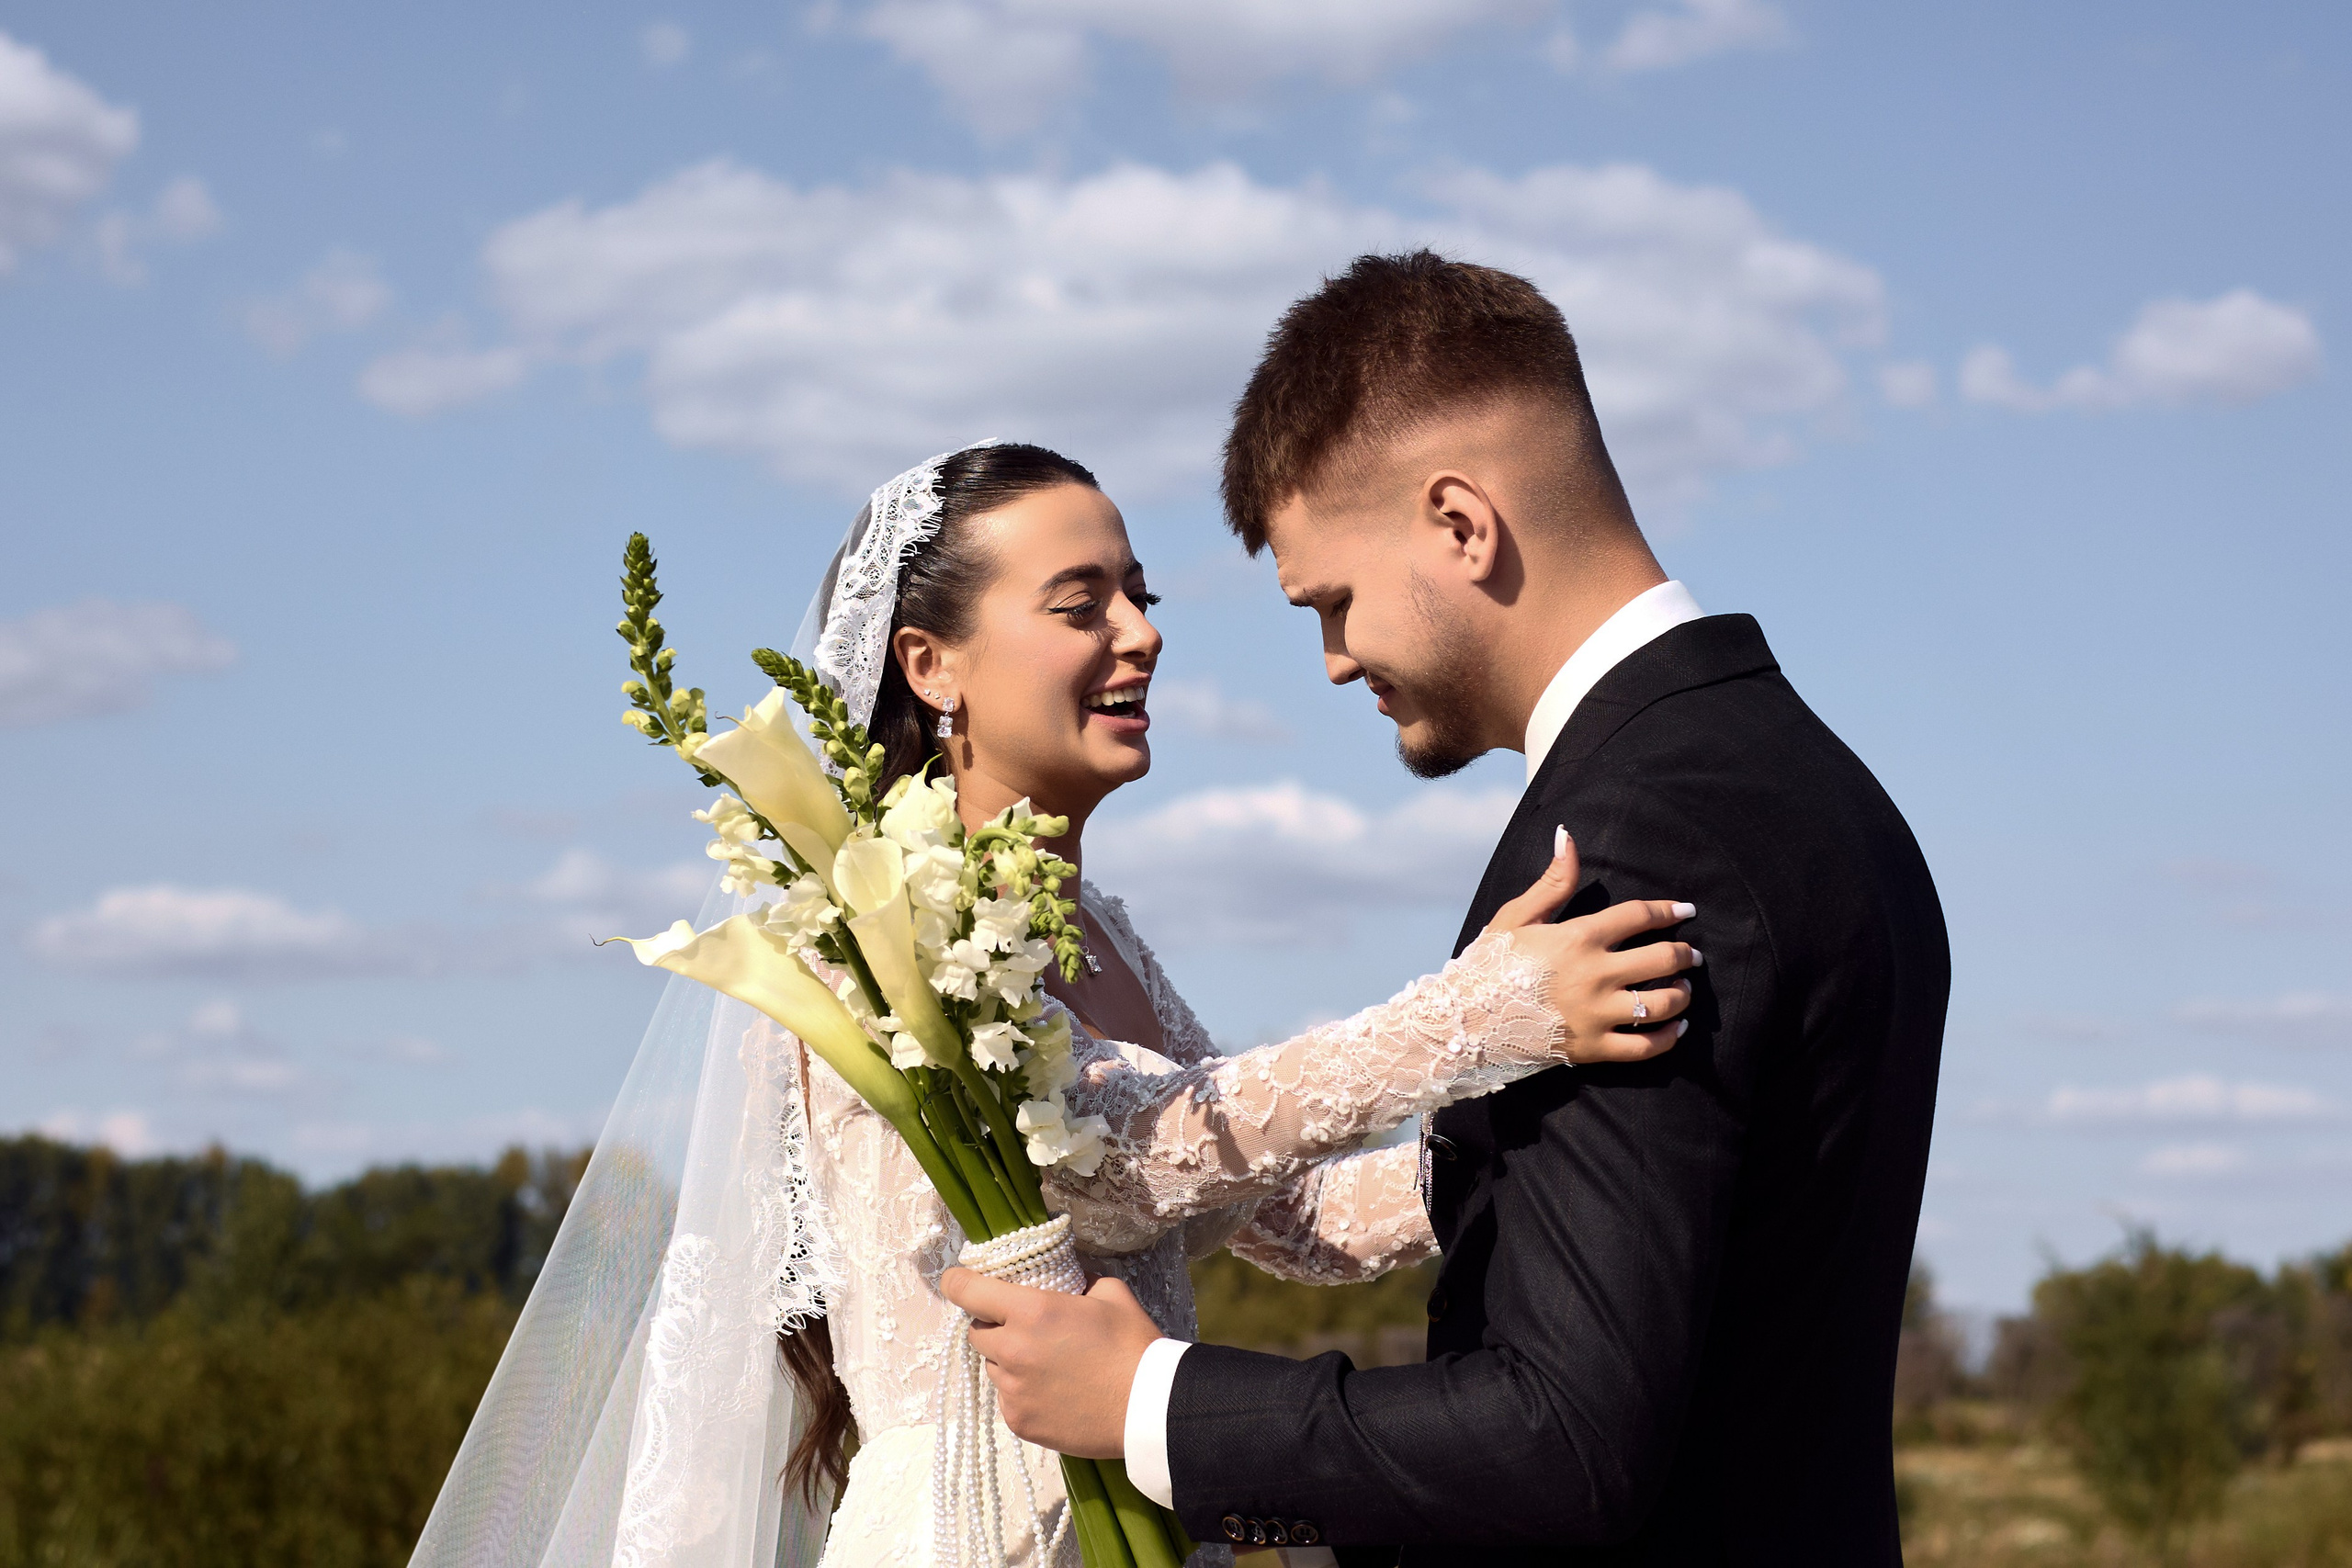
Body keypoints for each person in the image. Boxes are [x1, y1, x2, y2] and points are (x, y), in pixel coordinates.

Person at [407, 437, 1697, 1568]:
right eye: (1083, 604)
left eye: (1139, 594)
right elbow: (1120, 1163)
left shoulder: (1102, 933)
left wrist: (1551, 1109)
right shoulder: (873, 934)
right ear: (931, 665)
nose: (1142, 631)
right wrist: (1476, 1018)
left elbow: (1286, 1210)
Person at [942, 254, 1951, 1567]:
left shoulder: (1629, 841)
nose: (1336, 660)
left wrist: (1154, 1405)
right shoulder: (1819, 788)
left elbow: (1563, 1440)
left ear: (1463, 524)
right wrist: (1461, 1052)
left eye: (1337, 603)